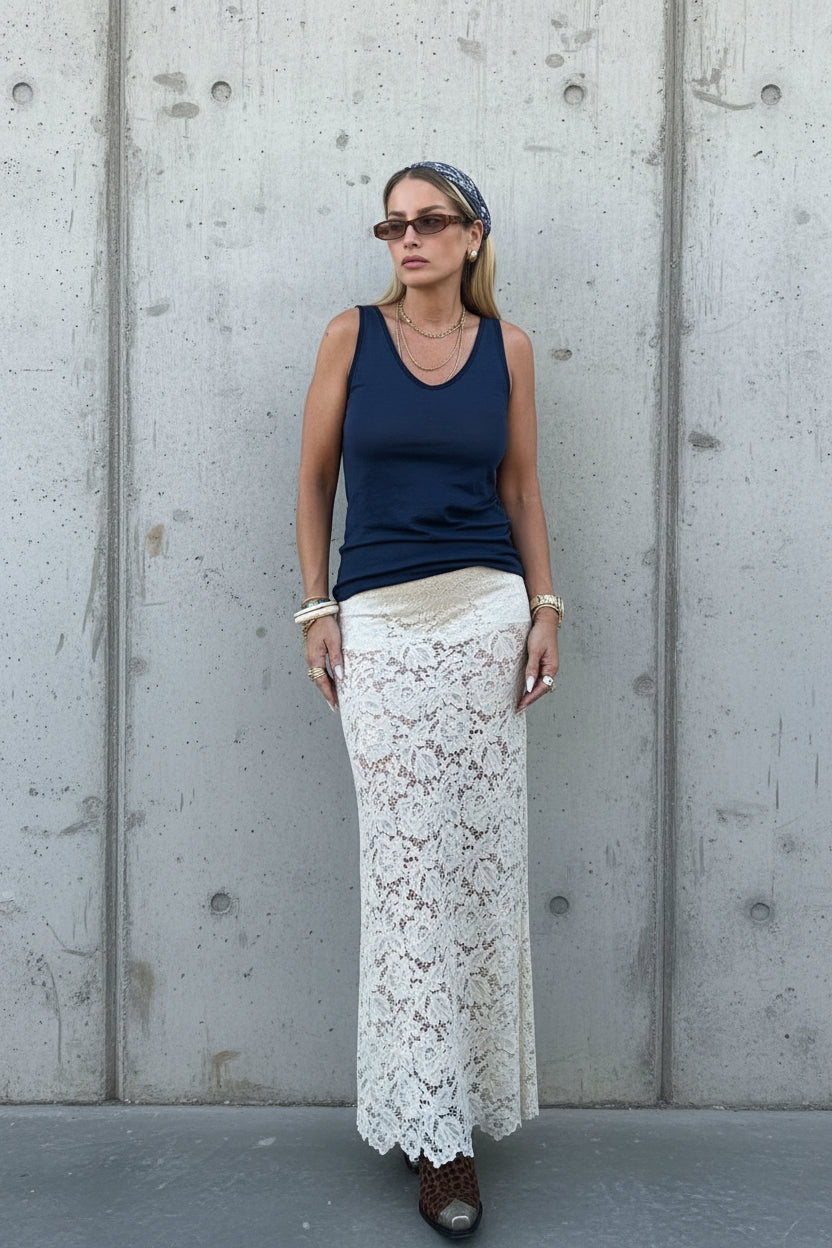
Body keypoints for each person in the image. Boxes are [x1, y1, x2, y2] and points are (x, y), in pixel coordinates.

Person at [295, 160, 562, 1238]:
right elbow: (313, 480)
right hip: (380, 624)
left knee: (481, 869)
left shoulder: (509, 350)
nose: (407, 238)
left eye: (429, 221)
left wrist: (545, 607)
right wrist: (314, 608)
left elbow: (521, 488)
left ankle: (459, 1114)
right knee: (406, 876)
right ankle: (432, 1134)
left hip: (487, 618)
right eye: (392, 225)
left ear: (472, 235)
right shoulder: (350, 336)